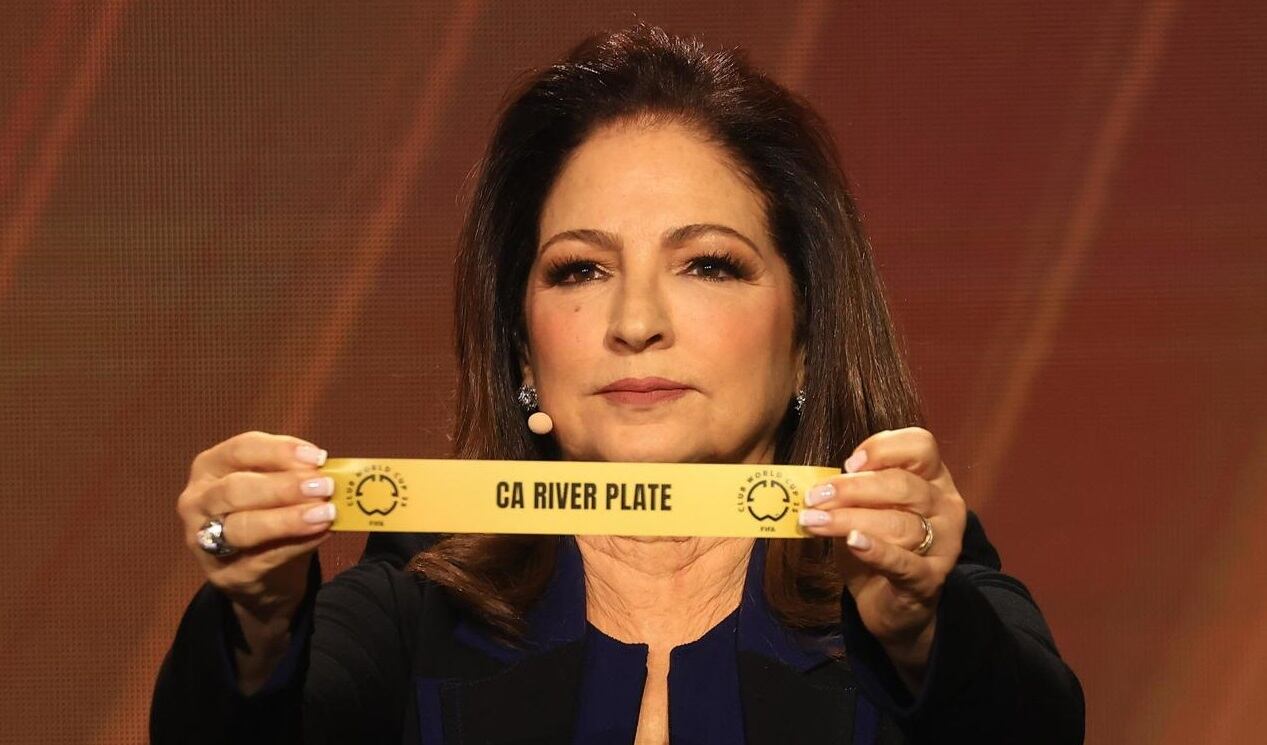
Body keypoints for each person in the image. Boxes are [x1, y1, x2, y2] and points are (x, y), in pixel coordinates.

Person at [151, 24, 1085, 744]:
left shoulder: (914, 584)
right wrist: (259, 616)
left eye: (709, 264)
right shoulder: (419, 587)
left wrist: (916, 627)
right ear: (523, 355)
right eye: (578, 270)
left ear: (807, 338)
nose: (636, 321)